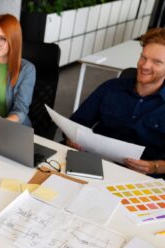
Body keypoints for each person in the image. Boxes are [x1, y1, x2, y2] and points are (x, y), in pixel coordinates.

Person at [67, 28, 165, 177]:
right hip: (94, 164)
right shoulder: (112, 87)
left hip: (141, 176)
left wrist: (154, 167)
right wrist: (72, 138)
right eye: (143, 57)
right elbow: (77, 121)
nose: (145, 66)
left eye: (156, 62)